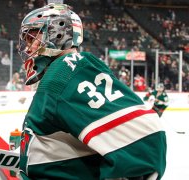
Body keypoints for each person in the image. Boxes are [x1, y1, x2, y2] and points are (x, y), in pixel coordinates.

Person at [17, 3, 166, 180]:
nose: (29, 48)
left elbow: (146, 138)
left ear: (56, 33)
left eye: (33, 39)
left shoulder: (65, 73)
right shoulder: (62, 73)